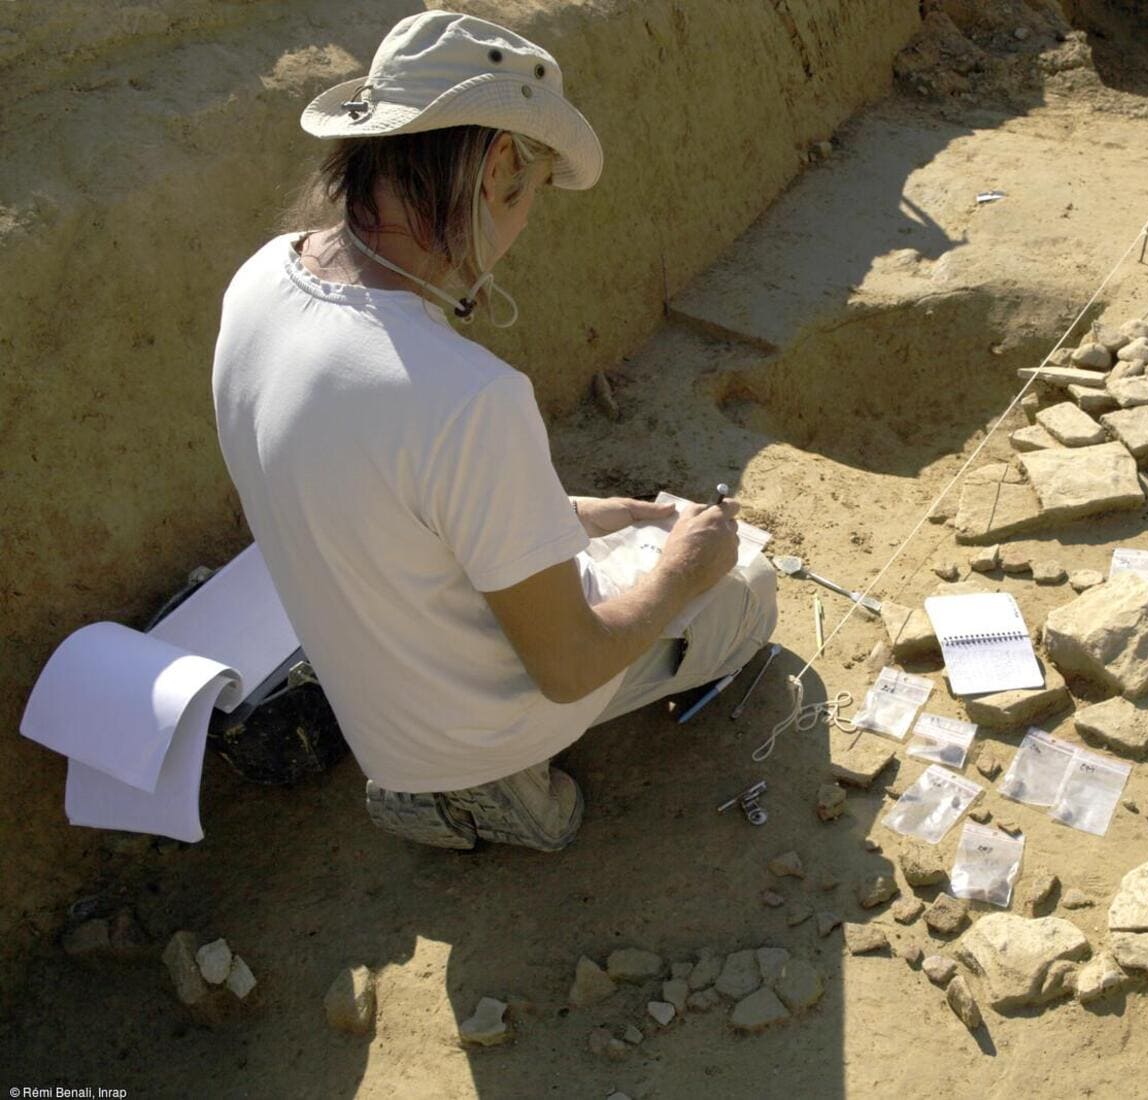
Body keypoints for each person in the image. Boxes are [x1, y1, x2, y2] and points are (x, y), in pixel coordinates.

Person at [211, 11, 777, 852]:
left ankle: (447, 776)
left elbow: (398, 506)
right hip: (462, 733)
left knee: (633, 546)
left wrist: (584, 513)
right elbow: (572, 665)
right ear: (502, 165)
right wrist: (689, 569)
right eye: (535, 192)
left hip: (377, 705)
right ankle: (491, 786)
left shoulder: (262, 275)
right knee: (748, 588)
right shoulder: (467, 398)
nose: (522, 227)